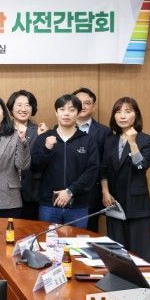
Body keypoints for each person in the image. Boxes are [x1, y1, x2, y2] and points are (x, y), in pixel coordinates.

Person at [30, 94, 99, 228]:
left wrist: (70, 191)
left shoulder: (88, 140)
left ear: (78, 113)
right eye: (62, 109)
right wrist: (47, 149)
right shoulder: (44, 138)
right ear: (56, 112)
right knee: (47, 240)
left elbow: (92, 171)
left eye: (71, 110)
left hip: (78, 206)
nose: (66, 114)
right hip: (49, 205)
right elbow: (34, 167)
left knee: (76, 241)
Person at [100, 97, 150, 258]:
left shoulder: (146, 140)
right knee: (116, 253)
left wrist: (133, 143)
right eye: (118, 112)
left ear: (135, 115)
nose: (122, 116)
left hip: (136, 204)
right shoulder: (110, 140)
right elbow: (103, 168)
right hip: (113, 202)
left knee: (139, 254)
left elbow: (141, 167)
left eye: (127, 111)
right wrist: (105, 192)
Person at [73, 87, 112, 232]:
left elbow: (105, 164)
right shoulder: (59, 129)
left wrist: (104, 191)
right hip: (66, 192)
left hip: (92, 193)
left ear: (93, 106)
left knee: (88, 234)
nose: (82, 106)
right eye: (79, 102)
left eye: (87, 103)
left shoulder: (104, 132)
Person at [6, 90, 48, 220]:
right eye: (19, 105)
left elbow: (43, 161)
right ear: (11, 108)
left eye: (28, 105)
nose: (23, 109)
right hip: (6, 191)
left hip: (32, 191)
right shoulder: (3, 130)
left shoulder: (39, 130)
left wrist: (43, 139)